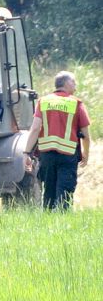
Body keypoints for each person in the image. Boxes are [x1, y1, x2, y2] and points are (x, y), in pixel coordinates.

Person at [25, 71, 91, 211]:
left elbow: (35, 128)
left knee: (49, 193)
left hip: (47, 156)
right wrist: (86, 153)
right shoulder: (76, 103)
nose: (76, 86)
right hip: (68, 156)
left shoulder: (43, 102)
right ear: (66, 83)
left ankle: (48, 220)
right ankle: (61, 221)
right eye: (74, 82)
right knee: (64, 194)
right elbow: (85, 135)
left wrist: (26, 153)